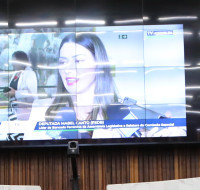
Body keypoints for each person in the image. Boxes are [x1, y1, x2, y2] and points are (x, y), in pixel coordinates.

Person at [25, 32, 184, 140]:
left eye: (78, 61)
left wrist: (170, 132)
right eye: (62, 62)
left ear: (99, 65)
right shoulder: (41, 110)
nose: (68, 69)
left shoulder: (123, 112)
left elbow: (173, 130)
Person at [6, 51, 38, 121]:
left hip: (25, 110)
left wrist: (15, 93)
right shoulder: (16, 73)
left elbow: (32, 94)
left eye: (14, 61)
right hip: (14, 109)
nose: (12, 63)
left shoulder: (30, 74)